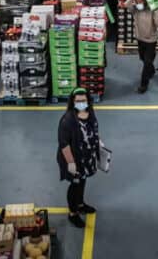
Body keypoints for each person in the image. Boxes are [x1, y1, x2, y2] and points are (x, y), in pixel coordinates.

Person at [57, 88, 100, 228]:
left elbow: (93, 129)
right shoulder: (68, 120)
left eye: (84, 100)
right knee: (75, 185)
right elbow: (64, 144)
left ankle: (80, 204)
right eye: (78, 101)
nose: (81, 103)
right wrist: (70, 163)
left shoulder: (90, 113)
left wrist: (98, 142)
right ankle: (73, 213)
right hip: (73, 159)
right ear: (73, 102)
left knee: (83, 180)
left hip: (86, 158)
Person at [123, 0, 158, 94]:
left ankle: (143, 85)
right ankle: (152, 70)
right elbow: (126, 4)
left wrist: (156, 11)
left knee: (147, 61)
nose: (137, 0)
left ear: (145, 0)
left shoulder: (152, 10)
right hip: (140, 39)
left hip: (151, 40)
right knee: (143, 58)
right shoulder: (136, 9)